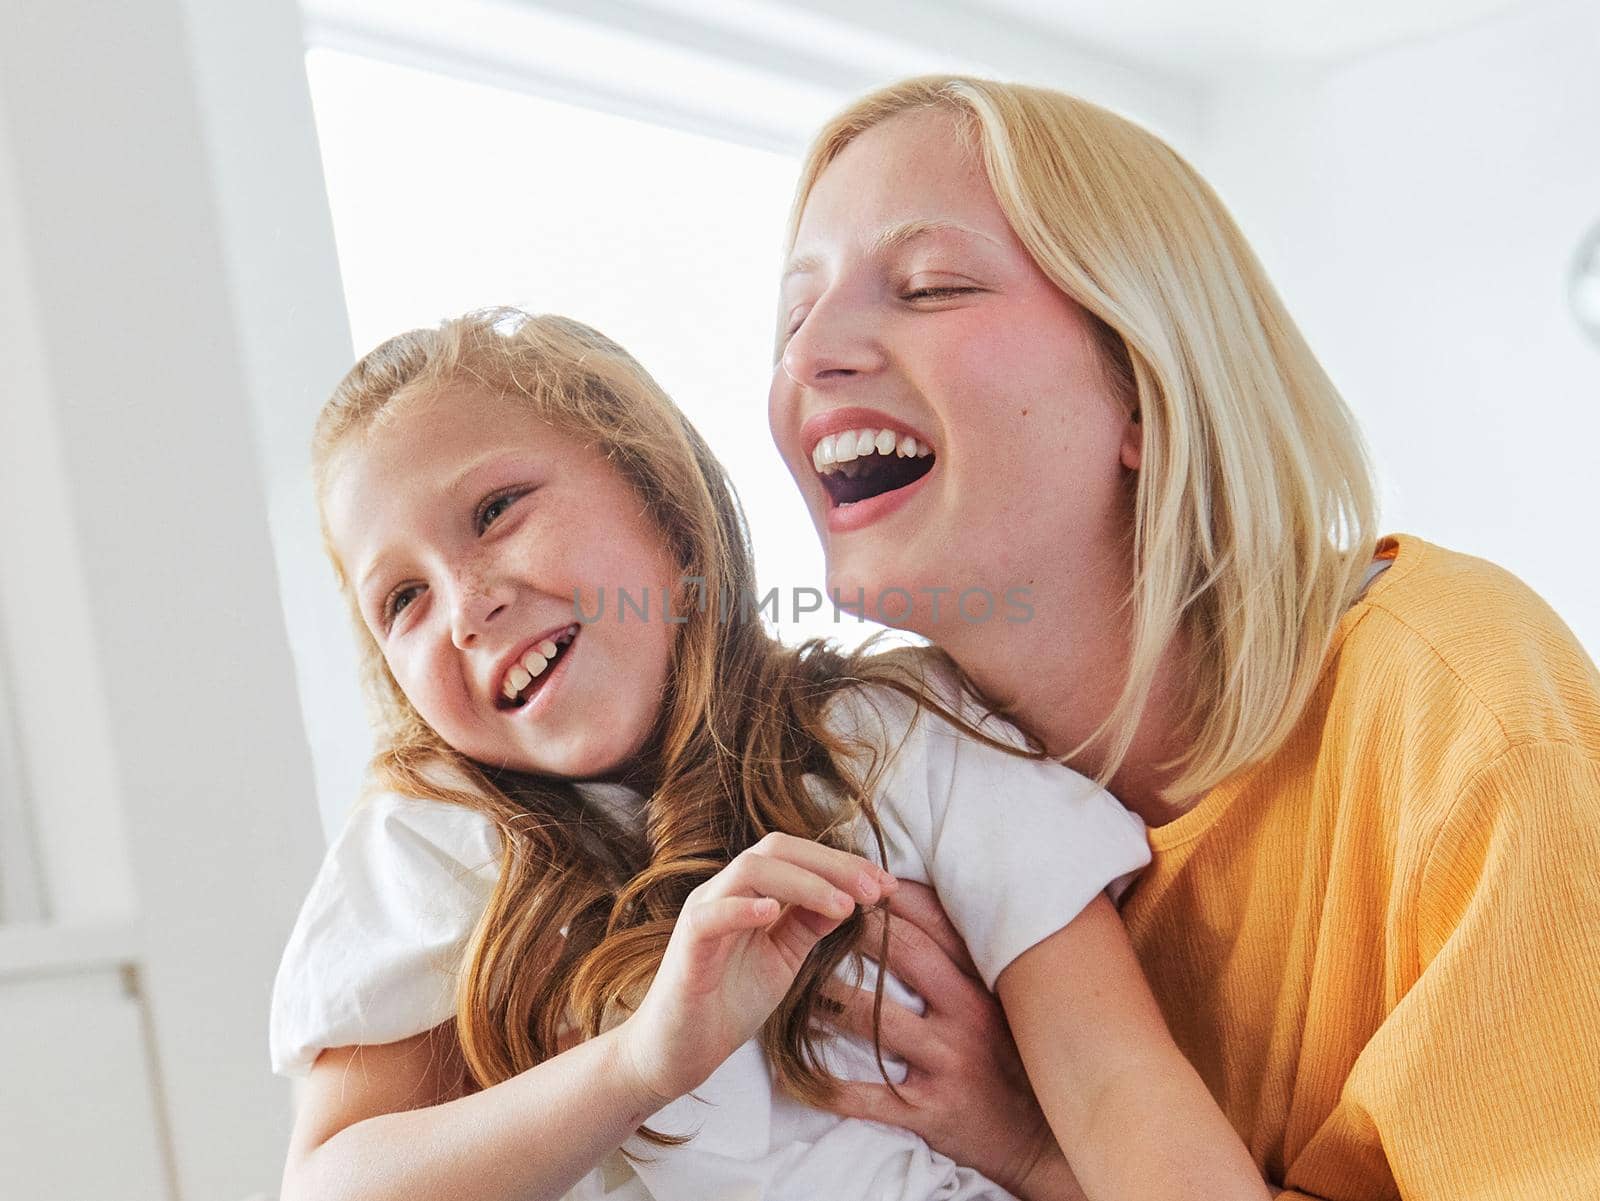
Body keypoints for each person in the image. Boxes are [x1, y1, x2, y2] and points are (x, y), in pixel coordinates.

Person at [767, 74, 1600, 1199]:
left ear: (1146, 392)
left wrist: (1039, 1151)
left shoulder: (1459, 704)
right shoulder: (869, 781)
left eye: (930, 286)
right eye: (792, 312)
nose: (811, 354)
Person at [268, 309, 1276, 1201]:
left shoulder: (900, 733)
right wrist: (639, 1064)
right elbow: (330, 1187)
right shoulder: (437, 840)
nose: (465, 605)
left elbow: (1118, 1085)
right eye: (401, 599)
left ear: (657, 496)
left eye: (496, 511)